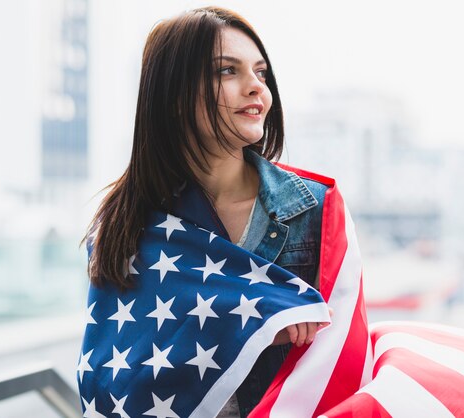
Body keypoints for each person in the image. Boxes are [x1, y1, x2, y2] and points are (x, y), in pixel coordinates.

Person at [79, 7, 335, 418]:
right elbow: (113, 374)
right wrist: (247, 325)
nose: (256, 88)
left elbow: (344, 357)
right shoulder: (125, 223)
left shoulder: (315, 207)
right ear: (175, 96)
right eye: (226, 71)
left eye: (261, 73)